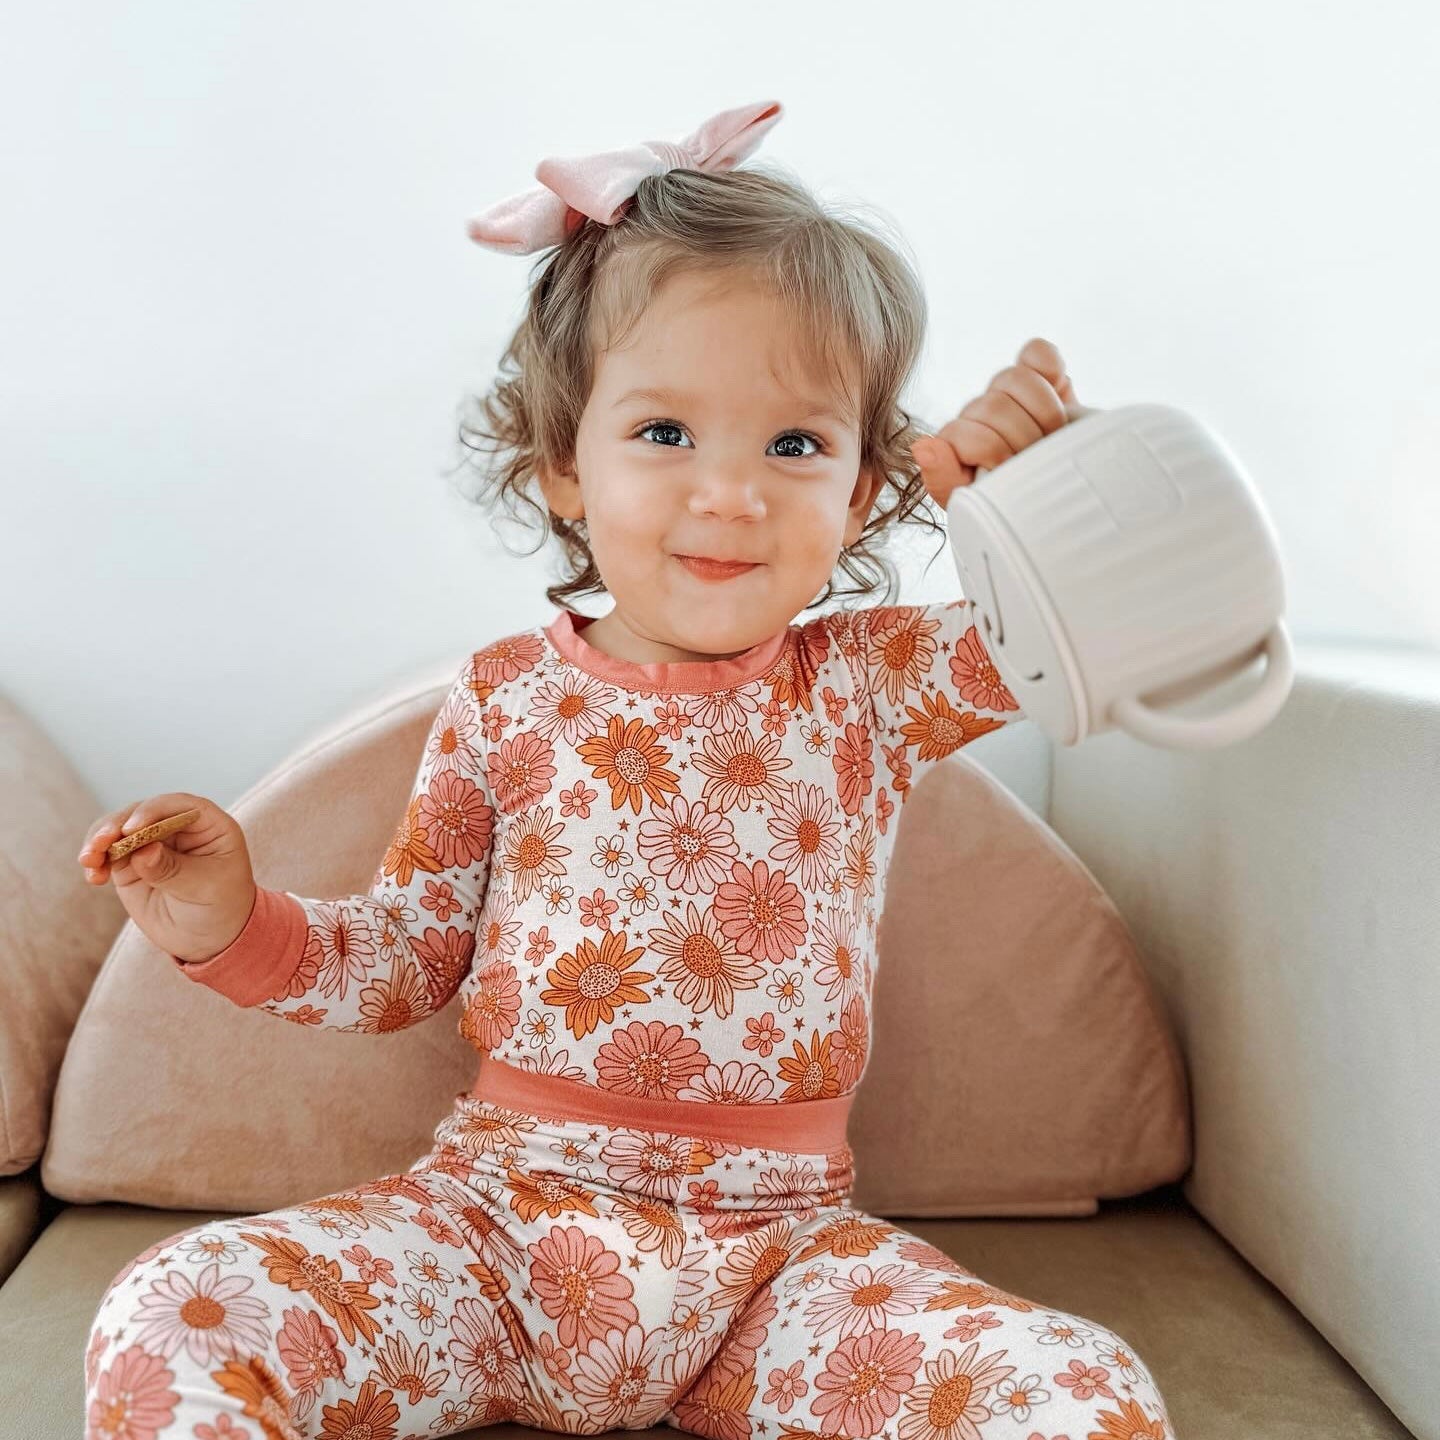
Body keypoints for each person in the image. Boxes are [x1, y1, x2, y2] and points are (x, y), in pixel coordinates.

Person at [77, 99, 1175, 1440]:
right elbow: (408, 960)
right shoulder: (505, 698)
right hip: (494, 1240)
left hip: (778, 1273)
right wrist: (232, 924)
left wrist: (1024, 496)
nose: (731, 493)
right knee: (177, 1308)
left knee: (1081, 1390)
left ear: (861, 491)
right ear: (562, 464)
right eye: (665, 433)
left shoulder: (874, 684)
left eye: (795, 445)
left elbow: (1081, 629)